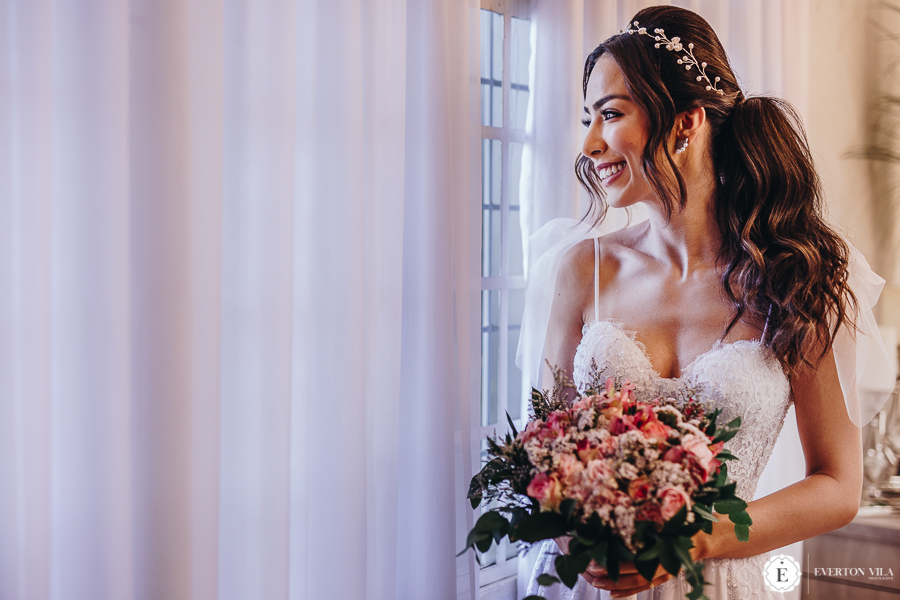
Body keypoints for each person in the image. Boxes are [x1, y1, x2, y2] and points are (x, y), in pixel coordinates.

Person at [517, 5, 896, 600]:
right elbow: (543, 451)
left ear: (686, 122)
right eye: (587, 118)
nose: (590, 143)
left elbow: (838, 485)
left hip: (722, 583)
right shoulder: (583, 270)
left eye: (610, 115)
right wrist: (588, 549)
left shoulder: (797, 277)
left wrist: (701, 539)